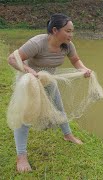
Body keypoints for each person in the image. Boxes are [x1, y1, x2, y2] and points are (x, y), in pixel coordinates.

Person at [7, 13, 92, 173]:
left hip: (48, 80)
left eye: (72, 31)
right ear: (55, 30)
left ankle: (68, 135)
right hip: (29, 82)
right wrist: (29, 70)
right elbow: (12, 59)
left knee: (59, 108)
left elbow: (75, 61)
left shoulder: (68, 45)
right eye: (67, 31)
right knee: (26, 116)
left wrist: (84, 69)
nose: (71, 34)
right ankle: (21, 155)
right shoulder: (37, 43)